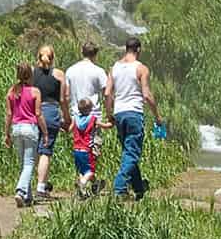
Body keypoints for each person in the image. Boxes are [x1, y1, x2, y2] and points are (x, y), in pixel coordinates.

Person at [104, 36, 162, 201]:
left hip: (119, 113)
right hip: (134, 113)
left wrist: (109, 113)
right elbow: (147, 95)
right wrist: (157, 116)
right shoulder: (141, 68)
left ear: (126, 49)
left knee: (129, 151)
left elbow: (107, 93)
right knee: (132, 153)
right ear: (138, 50)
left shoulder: (114, 68)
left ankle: (138, 188)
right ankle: (119, 187)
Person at [3, 61, 48, 208]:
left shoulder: (11, 92)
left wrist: (6, 134)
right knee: (29, 163)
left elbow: (9, 114)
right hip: (30, 129)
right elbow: (38, 113)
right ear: (30, 75)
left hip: (16, 129)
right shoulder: (35, 92)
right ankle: (21, 191)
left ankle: (27, 197)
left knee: (24, 163)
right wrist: (45, 133)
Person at [63, 40, 110, 178]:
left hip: (75, 117)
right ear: (95, 54)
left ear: (81, 52)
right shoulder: (99, 71)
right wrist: (110, 113)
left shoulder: (70, 70)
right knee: (92, 150)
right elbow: (106, 93)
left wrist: (66, 116)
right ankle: (87, 180)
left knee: (80, 148)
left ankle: (85, 181)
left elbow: (66, 95)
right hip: (93, 117)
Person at [32, 45, 70, 200]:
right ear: (53, 57)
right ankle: (41, 187)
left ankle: (30, 185)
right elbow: (63, 99)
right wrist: (67, 118)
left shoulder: (31, 74)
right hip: (50, 112)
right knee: (45, 151)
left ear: (38, 57)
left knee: (34, 151)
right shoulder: (59, 74)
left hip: (33, 112)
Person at [70, 96, 100, 198]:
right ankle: (82, 183)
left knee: (82, 170)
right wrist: (110, 124)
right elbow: (102, 125)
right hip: (87, 149)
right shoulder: (93, 119)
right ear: (90, 109)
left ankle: (83, 191)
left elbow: (69, 129)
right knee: (90, 171)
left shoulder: (75, 119)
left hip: (76, 149)